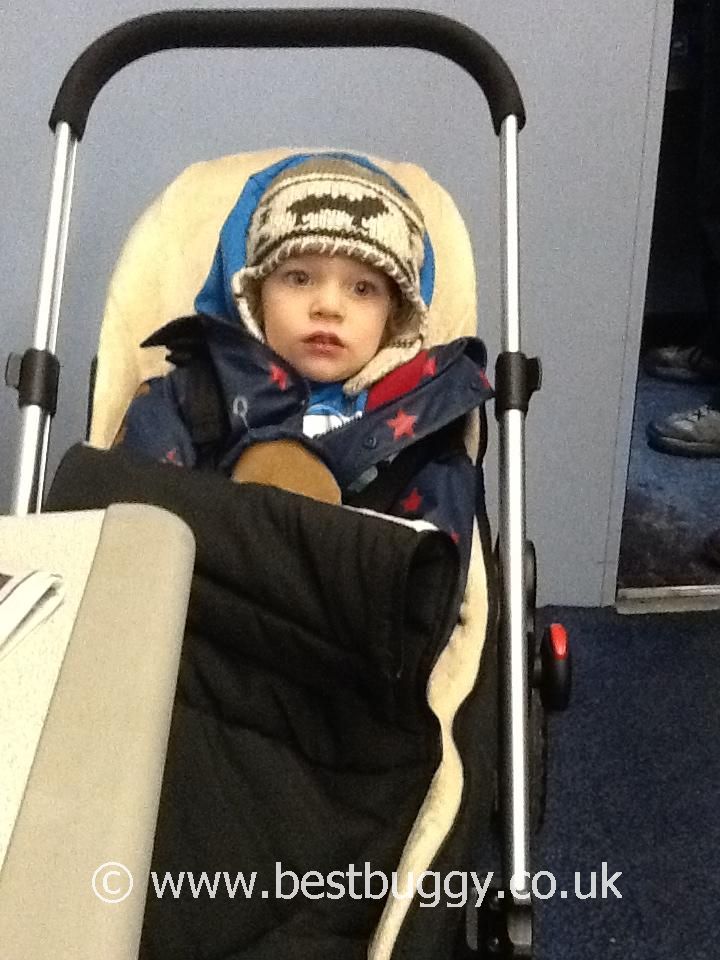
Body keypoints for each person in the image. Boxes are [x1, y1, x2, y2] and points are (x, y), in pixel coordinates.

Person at [112, 151, 493, 587]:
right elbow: (131, 525)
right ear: (254, 296)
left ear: (394, 315)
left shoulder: (420, 422)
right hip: (202, 604)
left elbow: (430, 576)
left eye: (362, 288)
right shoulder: (194, 394)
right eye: (298, 278)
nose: (328, 306)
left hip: (345, 614)